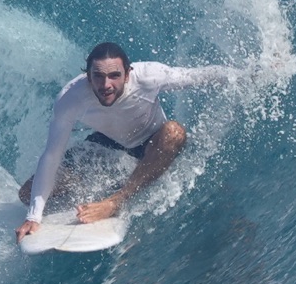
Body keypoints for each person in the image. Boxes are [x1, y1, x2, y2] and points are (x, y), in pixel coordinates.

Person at [15, 42, 240, 242]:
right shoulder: (70, 98)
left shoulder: (149, 76)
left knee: (175, 132)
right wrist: (34, 216)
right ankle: (94, 191)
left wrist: (247, 74)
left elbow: (198, 76)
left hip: (150, 144)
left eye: (114, 75)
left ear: (127, 74)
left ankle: (115, 201)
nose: (106, 85)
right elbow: (51, 155)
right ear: (88, 76)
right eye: (98, 76)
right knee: (26, 194)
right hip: (105, 146)